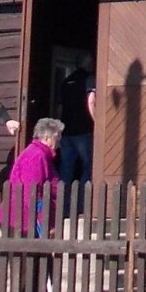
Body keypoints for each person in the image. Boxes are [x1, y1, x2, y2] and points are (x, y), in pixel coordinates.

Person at [2, 117, 64, 236]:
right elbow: (32, 192)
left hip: (27, 221)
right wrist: (44, 222)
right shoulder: (35, 156)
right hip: (24, 223)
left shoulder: (41, 154)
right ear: (47, 138)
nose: (59, 143)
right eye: (57, 138)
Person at [56, 69, 94, 202]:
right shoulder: (89, 79)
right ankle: (84, 200)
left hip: (66, 131)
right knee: (88, 165)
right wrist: (96, 122)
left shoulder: (66, 82)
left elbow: (60, 108)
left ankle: (61, 201)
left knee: (66, 166)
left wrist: (60, 127)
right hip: (83, 129)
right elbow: (91, 101)